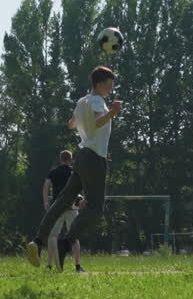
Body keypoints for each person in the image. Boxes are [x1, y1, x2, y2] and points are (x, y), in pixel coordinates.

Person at [26, 66, 122, 268]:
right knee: (95, 207)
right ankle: (67, 242)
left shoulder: (82, 101)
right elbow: (97, 122)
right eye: (109, 84)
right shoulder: (97, 100)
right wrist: (112, 112)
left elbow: (71, 124)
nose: (111, 89)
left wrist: (84, 119)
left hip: (81, 156)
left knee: (62, 201)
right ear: (99, 83)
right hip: (95, 157)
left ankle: (38, 241)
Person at [46, 198, 87, 273]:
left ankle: (78, 266)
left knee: (75, 236)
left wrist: (82, 199)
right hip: (58, 208)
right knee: (52, 236)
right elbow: (46, 186)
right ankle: (49, 265)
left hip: (72, 209)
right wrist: (45, 201)